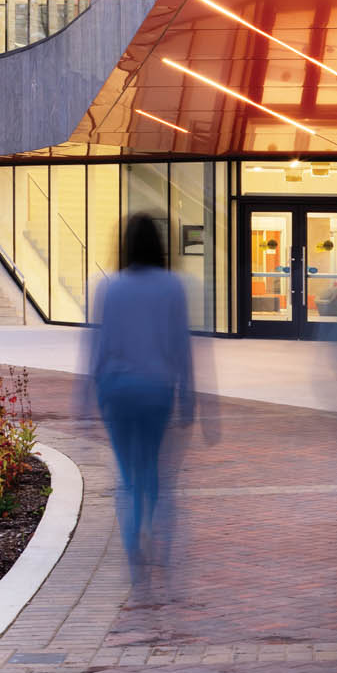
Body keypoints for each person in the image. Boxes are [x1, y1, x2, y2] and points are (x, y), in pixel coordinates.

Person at [84, 211, 195, 591]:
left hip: (116, 391)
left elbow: (97, 349)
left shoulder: (109, 287)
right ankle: (161, 546)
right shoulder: (172, 287)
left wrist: (84, 401)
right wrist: (191, 400)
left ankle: (134, 551)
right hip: (157, 390)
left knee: (128, 477)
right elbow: (182, 347)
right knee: (156, 473)